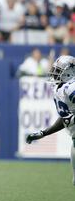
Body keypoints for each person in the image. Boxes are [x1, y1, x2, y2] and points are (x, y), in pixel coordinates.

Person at [26, 55, 75, 185]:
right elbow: (65, 119)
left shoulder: (71, 87)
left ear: (70, 72)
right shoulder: (61, 88)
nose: (55, 73)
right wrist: (44, 133)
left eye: (59, 71)